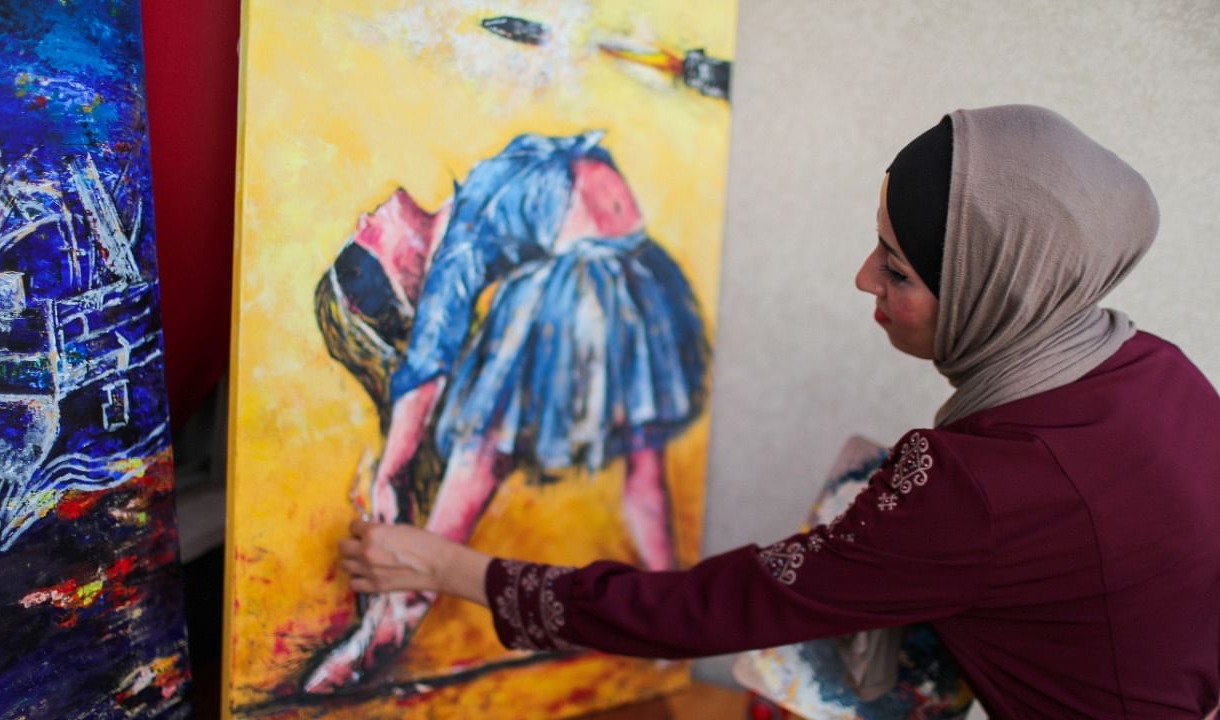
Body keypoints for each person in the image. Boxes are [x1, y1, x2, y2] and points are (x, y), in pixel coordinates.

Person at [336, 105, 1220, 718]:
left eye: (898, 268)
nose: (864, 279)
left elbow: (711, 611)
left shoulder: (975, 490)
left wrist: (451, 568)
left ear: (999, 289)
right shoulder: (1158, 371)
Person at [304, 132, 710, 692]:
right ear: (403, 279)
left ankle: (670, 624)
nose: (361, 224)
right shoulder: (456, 254)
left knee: (641, 473)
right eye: (360, 257)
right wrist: (392, 472)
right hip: (603, 280)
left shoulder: (472, 202)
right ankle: (390, 625)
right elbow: (425, 369)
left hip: (626, 274)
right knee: (481, 447)